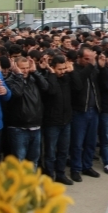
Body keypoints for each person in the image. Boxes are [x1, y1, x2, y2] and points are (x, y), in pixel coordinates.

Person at [69, 46, 108, 183]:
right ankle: (76, 168)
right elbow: (78, 85)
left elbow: (103, 84)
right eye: (86, 59)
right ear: (78, 58)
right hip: (80, 111)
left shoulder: (92, 69)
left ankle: (87, 166)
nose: (89, 61)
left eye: (91, 59)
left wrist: (102, 68)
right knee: (77, 143)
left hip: (94, 109)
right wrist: (91, 66)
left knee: (91, 142)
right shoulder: (74, 69)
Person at [4, 56, 49, 169]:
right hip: (18, 128)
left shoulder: (33, 78)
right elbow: (17, 93)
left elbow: (45, 87)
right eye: (22, 68)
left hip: (36, 125)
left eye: (27, 68)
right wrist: (18, 75)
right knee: (19, 161)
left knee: (34, 160)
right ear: (15, 67)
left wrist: (36, 72)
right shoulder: (9, 81)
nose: (25, 70)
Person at [43, 55, 77, 185]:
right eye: (59, 69)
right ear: (52, 68)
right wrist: (51, 75)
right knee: (51, 152)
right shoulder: (48, 79)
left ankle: (61, 174)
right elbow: (51, 91)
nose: (62, 71)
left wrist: (71, 71)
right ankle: (50, 175)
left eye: (64, 69)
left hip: (66, 120)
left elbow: (78, 86)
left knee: (63, 151)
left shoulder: (66, 78)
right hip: (52, 122)